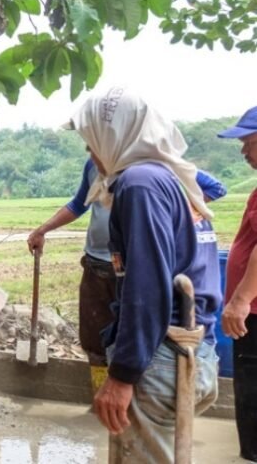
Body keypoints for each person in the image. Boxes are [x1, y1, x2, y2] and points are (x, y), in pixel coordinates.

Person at [68, 87, 219, 463]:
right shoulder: (168, 177)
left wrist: (122, 375)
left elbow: (146, 288)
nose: (92, 153)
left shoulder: (140, 185)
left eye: (91, 143)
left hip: (160, 355)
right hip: (192, 349)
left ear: (114, 135)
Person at [28, 160, 227, 397]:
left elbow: (216, 188)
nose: (90, 149)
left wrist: (179, 213)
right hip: (98, 261)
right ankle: (101, 400)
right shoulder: (94, 165)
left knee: (132, 333)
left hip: (136, 265)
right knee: (95, 339)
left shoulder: (155, 166)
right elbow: (78, 204)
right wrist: (43, 229)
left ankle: (127, 393)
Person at [216, 105, 257, 462]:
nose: (244, 151)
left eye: (250, 142)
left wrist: (241, 299)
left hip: (255, 314)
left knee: (253, 398)